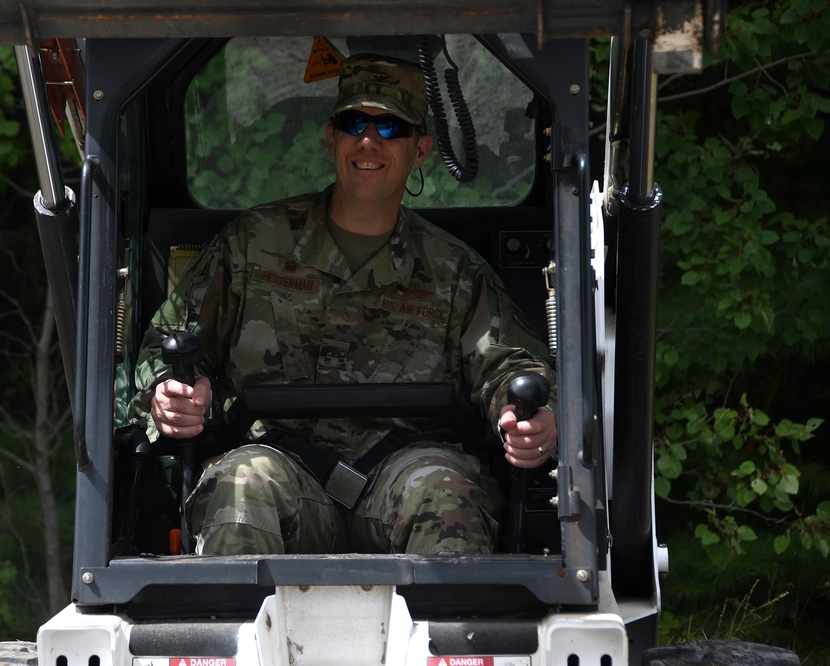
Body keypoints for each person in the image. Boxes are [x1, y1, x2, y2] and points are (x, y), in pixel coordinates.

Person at [130, 53, 557, 556]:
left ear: (421, 149)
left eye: (390, 127)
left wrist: (527, 415)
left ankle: (454, 637)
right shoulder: (250, 244)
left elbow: (508, 366)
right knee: (241, 484)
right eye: (354, 122)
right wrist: (171, 392)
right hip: (279, 468)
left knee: (447, 493)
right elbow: (168, 345)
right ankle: (227, 637)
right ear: (331, 139)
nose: (369, 140)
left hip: (406, 475)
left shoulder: (455, 270)